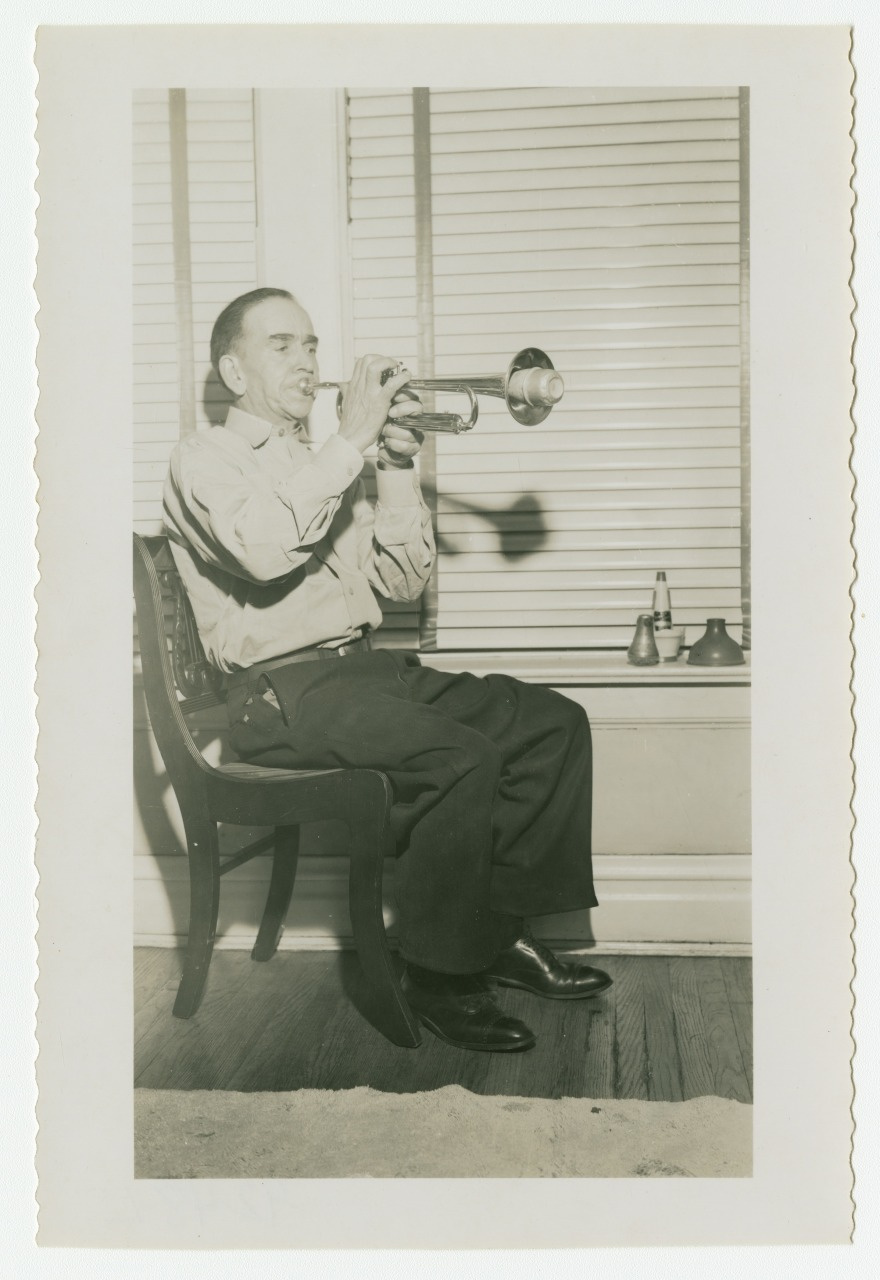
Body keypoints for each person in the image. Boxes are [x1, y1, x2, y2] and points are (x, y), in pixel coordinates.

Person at [163, 286, 612, 1053]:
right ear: (234, 373)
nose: (308, 360)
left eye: (310, 344)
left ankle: (491, 933)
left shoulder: (322, 462)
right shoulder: (205, 457)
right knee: (458, 758)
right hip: (278, 694)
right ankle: (439, 974)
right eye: (282, 345)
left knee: (552, 724)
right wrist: (353, 443)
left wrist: (397, 468)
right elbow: (265, 554)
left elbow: (400, 585)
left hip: (364, 673)